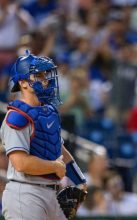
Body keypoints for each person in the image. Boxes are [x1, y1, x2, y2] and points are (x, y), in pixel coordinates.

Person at [0, 51, 87, 220]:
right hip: (25, 192)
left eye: (45, 74)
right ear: (23, 83)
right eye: (38, 75)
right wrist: (54, 167)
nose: (45, 79)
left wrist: (80, 180)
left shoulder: (48, 112)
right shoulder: (17, 116)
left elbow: (58, 149)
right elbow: (21, 163)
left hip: (51, 192)